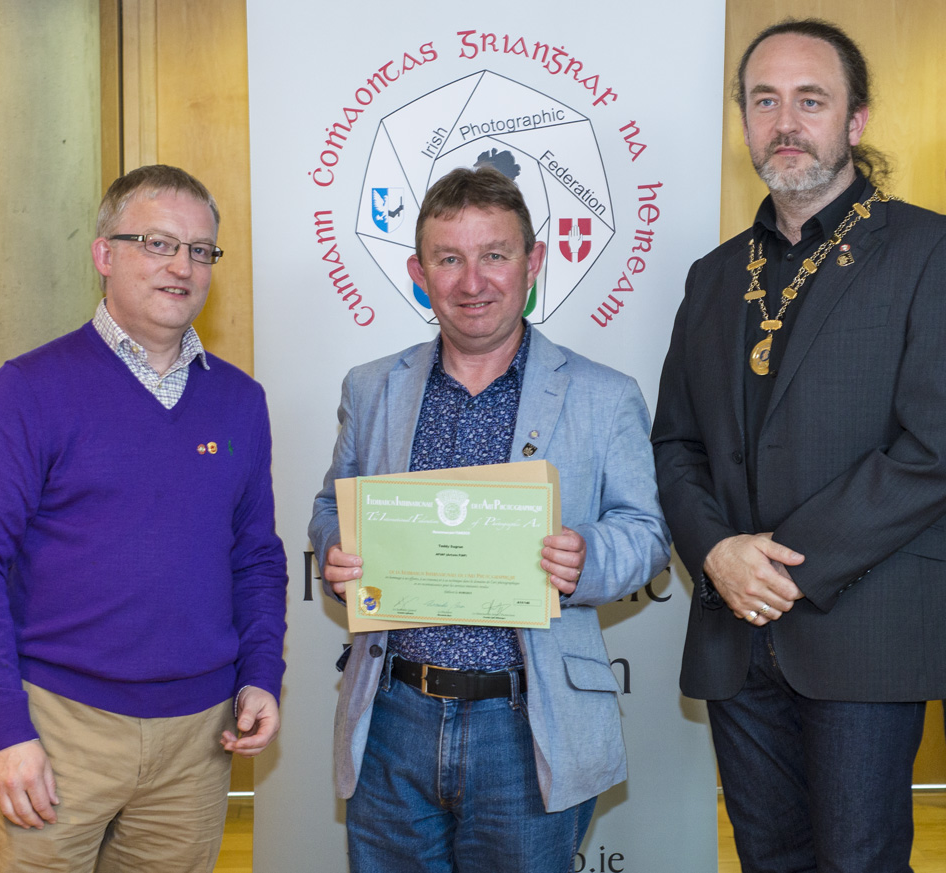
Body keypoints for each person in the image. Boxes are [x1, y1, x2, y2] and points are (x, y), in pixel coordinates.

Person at [309, 166, 670, 872]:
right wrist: (335, 547)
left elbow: (648, 531)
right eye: (449, 259)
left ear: (533, 264)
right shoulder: (371, 387)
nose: (472, 281)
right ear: (420, 274)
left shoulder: (604, 395)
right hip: (393, 714)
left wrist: (588, 556)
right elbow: (331, 505)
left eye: (494, 255)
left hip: (527, 723)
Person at [651, 18, 946, 873]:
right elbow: (675, 444)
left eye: (810, 101)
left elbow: (933, 448)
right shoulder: (713, 277)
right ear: (744, 120)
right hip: (734, 634)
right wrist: (717, 553)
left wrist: (779, 565)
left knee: (859, 861)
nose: (785, 122)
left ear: (856, 119)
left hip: (863, 629)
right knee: (767, 860)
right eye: (764, 100)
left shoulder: (928, 251)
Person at [0, 164, 288, 873]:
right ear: (104, 254)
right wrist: (2, 729)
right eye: (157, 243)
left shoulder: (241, 401)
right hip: (59, 727)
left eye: (200, 250)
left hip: (199, 739)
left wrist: (260, 673)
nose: (182, 266)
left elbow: (255, 557)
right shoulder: (28, 389)